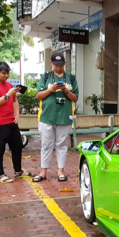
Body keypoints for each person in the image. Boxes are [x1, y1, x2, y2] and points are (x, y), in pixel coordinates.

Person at [33, 52, 79, 182]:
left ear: (64, 64)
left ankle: (61, 171)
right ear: (51, 63)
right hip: (46, 117)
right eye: (56, 65)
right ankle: (43, 172)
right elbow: (38, 96)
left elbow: (75, 98)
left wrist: (65, 90)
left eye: (61, 65)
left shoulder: (71, 78)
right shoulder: (46, 77)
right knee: (46, 144)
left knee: (61, 144)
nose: (59, 67)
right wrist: (51, 89)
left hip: (64, 117)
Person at [0, 62, 30, 183]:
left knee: (17, 146)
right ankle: (0, 174)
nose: (6, 75)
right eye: (3, 73)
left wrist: (17, 114)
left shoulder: (9, 85)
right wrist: (6, 96)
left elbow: (15, 100)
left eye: (8, 73)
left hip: (11, 121)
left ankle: (18, 170)